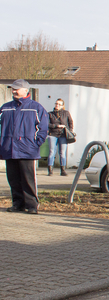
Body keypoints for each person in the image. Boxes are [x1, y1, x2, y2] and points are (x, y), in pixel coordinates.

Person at [0, 79, 49, 214]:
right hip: (9, 149)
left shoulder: (36, 107)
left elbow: (43, 128)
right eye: (13, 89)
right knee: (13, 179)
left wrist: (35, 144)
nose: (14, 91)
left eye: (17, 89)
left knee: (28, 179)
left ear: (26, 90)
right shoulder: (5, 108)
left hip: (27, 150)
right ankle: (17, 204)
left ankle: (32, 205)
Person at [46, 98, 74, 176]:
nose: (57, 105)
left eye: (59, 104)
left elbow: (70, 122)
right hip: (53, 134)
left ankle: (63, 170)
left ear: (62, 106)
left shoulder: (66, 113)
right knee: (52, 152)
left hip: (63, 135)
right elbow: (47, 124)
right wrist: (57, 126)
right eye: (56, 104)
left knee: (62, 153)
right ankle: (50, 170)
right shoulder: (50, 114)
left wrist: (70, 130)